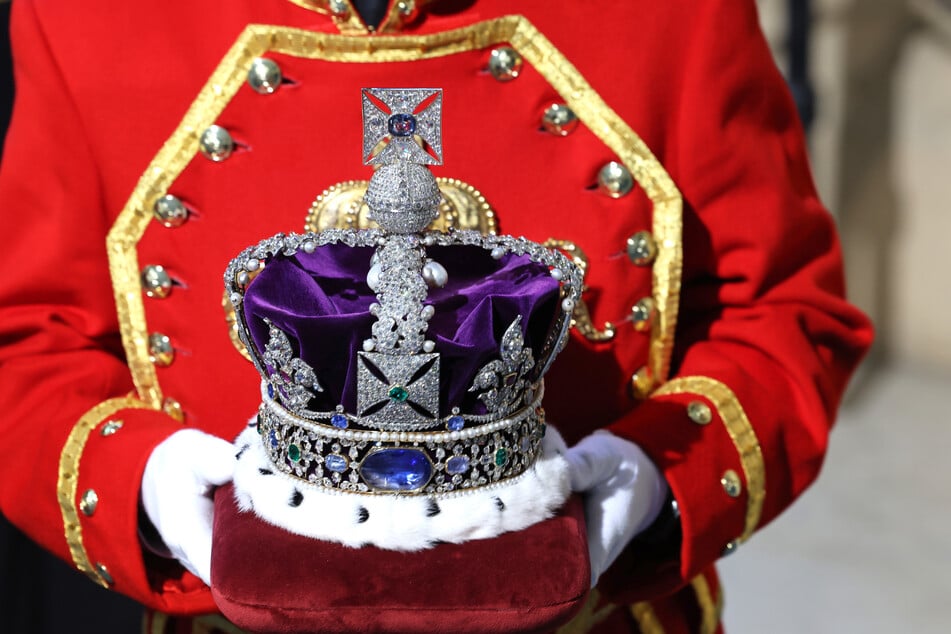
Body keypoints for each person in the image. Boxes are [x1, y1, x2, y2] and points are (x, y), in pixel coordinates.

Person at [0, 0, 873, 632]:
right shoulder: (89, 15)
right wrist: (148, 483)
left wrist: (650, 477)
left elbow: (786, 312)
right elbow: (27, 338)